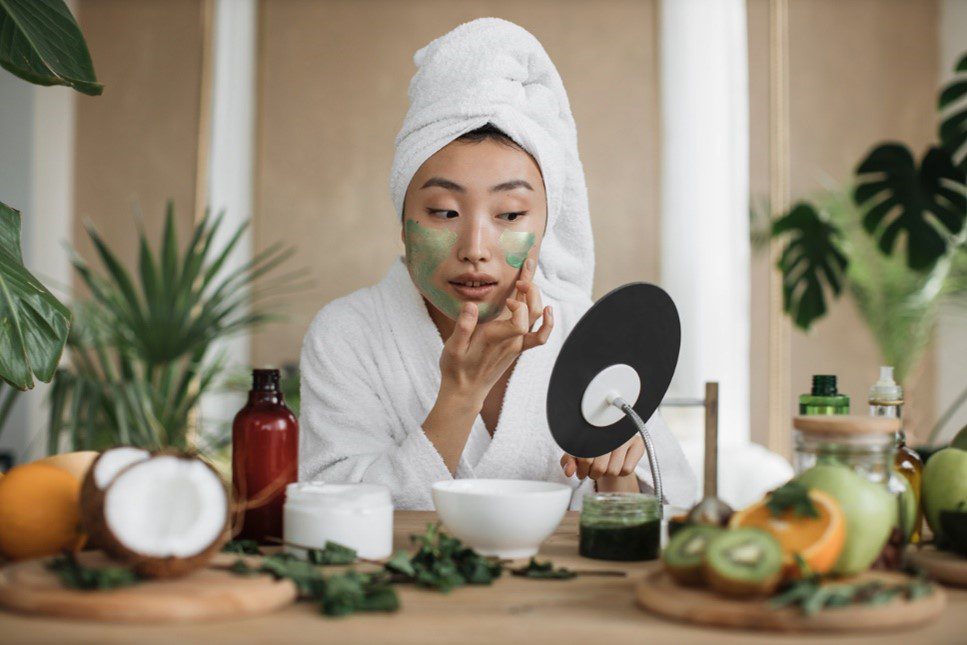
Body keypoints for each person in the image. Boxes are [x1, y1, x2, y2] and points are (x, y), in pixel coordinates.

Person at [299, 17, 696, 510]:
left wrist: (616, 480)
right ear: (402, 220)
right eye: (444, 211)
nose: (475, 247)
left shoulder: (583, 332)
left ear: (545, 225)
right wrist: (460, 395)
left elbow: (676, 513)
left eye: (509, 214)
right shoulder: (348, 333)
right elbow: (329, 514)